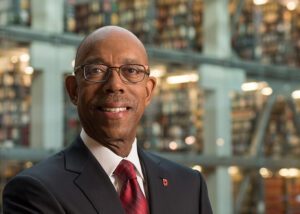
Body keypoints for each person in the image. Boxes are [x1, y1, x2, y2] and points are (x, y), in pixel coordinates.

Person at [2, 26, 213, 214]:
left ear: (148, 92)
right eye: (96, 70)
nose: (114, 85)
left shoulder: (189, 185)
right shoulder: (34, 191)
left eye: (131, 71)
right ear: (74, 90)